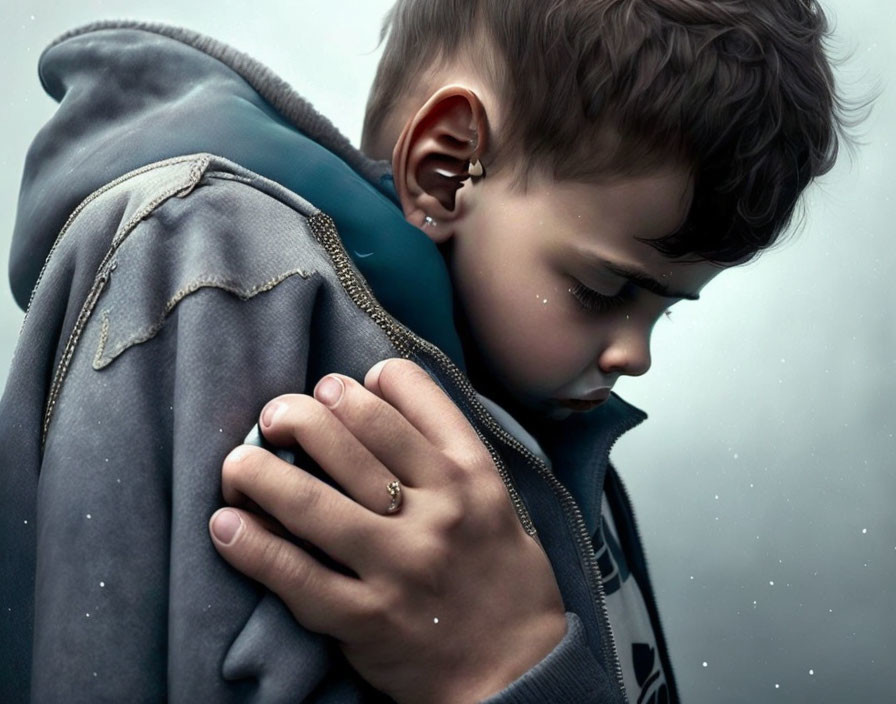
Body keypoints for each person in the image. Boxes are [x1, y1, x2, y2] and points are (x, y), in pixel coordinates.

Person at [0, 1, 849, 701]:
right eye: (603, 290)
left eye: (668, 310)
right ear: (449, 172)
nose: (635, 355)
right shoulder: (230, 284)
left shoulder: (553, 438)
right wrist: (506, 668)